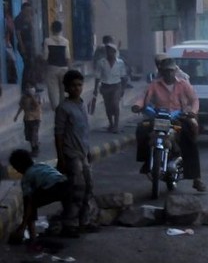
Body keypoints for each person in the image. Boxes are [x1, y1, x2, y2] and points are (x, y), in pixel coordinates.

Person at [133, 58, 206, 192]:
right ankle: (146, 161)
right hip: (159, 117)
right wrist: (138, 106)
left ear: (175, 71)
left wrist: (192, 112)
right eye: (166, 71)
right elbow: (143, 97)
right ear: (162, 72)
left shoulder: (183, 84)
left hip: (177, 117)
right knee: (141, 130)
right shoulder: (154, 84)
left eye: (171, 71)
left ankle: (196, 178)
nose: (169, 74)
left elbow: (194, 99)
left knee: (189, 139)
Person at [55, 69, 96, 237]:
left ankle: (84, 221)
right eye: (73, 85)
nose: (76, 88)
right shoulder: (63, 108)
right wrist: (61, 158)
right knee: (76, 188)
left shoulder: (81, 104)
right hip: (71, 154)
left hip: (83, 153)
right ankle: (69, 224)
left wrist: (88, 151)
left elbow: (84, 131)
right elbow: (58, 134)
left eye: (79, 85)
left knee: (89, 186)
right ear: (66, 88)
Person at [8, 149, 70, 244]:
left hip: (53, 188)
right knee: (67, 204)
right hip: (66, 184)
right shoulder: (42, 165)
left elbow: (28, 202)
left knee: (30, 204)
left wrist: (23, 225)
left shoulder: (26, 178)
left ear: (18, 166)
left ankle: (32, 236)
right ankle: (69, 225)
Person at [93, 43, 127, 133]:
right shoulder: (101, 62)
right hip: (105, 86)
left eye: (111, 51)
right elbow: (97, 77)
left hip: (116, 86)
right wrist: (95, 89)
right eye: (107, 51)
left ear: (115, 52)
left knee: (115, 104)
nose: (109, 53)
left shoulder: (120, 63)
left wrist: (123, 89)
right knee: (108, 106)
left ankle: (116, 125)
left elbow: (124, 77)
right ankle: (111, 123)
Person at [43, 20, 71, 110]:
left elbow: (45, 56)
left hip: (52, 67)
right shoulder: (65, 41)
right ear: (61, 29)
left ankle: (55, 107)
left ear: (51, 29)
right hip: (63, 68)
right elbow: (67, 56)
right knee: (63, 89)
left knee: (53, 90)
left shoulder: (47, 41)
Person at [14, 83, 42, 157]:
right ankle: (34, 147)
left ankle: (36, 149)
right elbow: (21, 106)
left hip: (35, 118)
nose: (28, 90)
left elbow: (36, 105)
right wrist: (16, 116)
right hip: (27, 118)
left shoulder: (37, 96)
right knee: (28, 135)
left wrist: (32, 96)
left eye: (30, 88)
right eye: (27, 88)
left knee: (34, 135)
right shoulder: (24, 97)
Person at [14, 2, 35, 88]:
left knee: (31, 65)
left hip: (29, 44)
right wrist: (22, 47)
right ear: (22, 10)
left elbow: (32, 32)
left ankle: (31, 84)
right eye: (27, 10)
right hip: (23, 45)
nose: (28, 12)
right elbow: (18, 34)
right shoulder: (18, 19)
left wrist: (30, 22)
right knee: (27, 64)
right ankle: (24, 86)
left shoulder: (28, 18)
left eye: (30, 10)